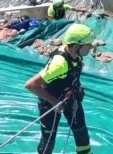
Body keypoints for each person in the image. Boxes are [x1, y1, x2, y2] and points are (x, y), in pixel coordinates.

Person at [24, 24, 95, 154]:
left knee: (81, 132)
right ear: (76, 46)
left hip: (70, 97)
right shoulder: (59, 64)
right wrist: (53, 101)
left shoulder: (74, 54)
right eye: (88, 45)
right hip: (50, 102)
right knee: (48, 139)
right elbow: (30, 85)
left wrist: (77, 87)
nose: (91, 47)